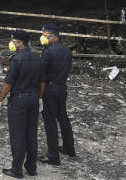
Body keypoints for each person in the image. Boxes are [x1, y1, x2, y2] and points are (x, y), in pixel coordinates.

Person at [0, 30, 44, 179]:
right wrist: (40, 98)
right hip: (33, 99)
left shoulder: (16, 60)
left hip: (19, 101)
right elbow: (42, 82)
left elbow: (7, 84)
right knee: (31, 134)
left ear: (20, 43)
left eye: (14, 41)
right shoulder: (37, 58)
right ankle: (31, 167)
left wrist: (0, 100)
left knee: (17, 135)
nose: (12, 43)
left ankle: (16, 169)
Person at [39, 23, 75, 165]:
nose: (43, 38)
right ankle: (69, 148)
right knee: (63, 118)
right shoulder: (66, 50)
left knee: (50, 121)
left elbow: (41, 72)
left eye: (45, 36)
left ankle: (53, 155)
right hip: (62, 87)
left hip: (50, 88)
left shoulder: (48, 51)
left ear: (54, 36)